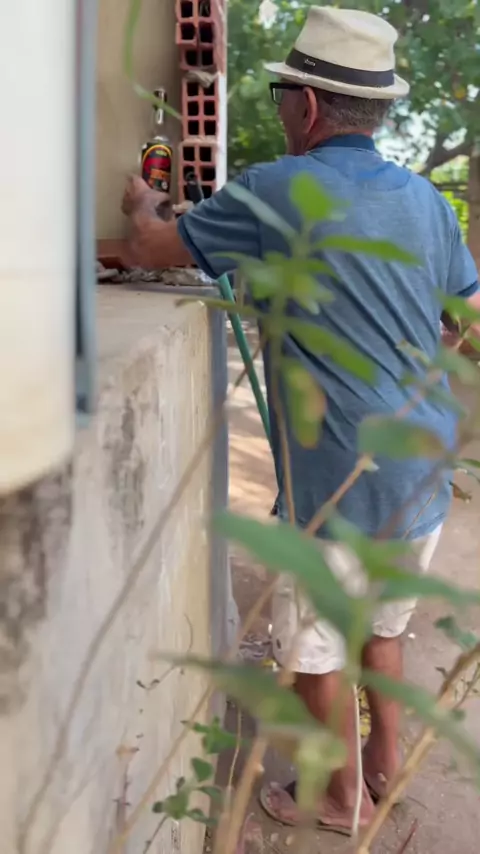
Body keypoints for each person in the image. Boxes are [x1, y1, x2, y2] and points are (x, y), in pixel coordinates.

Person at [122, 5, 479, 836]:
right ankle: (385, 766)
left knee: (316, 650)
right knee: (382, 627)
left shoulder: (276, 188)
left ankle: (340, 798)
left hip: (338, 475)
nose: (281, 106)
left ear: (307, 105)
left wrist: (144, 203)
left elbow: (149, 251)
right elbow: (467, 318)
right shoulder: (428, 202)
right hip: (421, 464)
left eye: (283, 93)